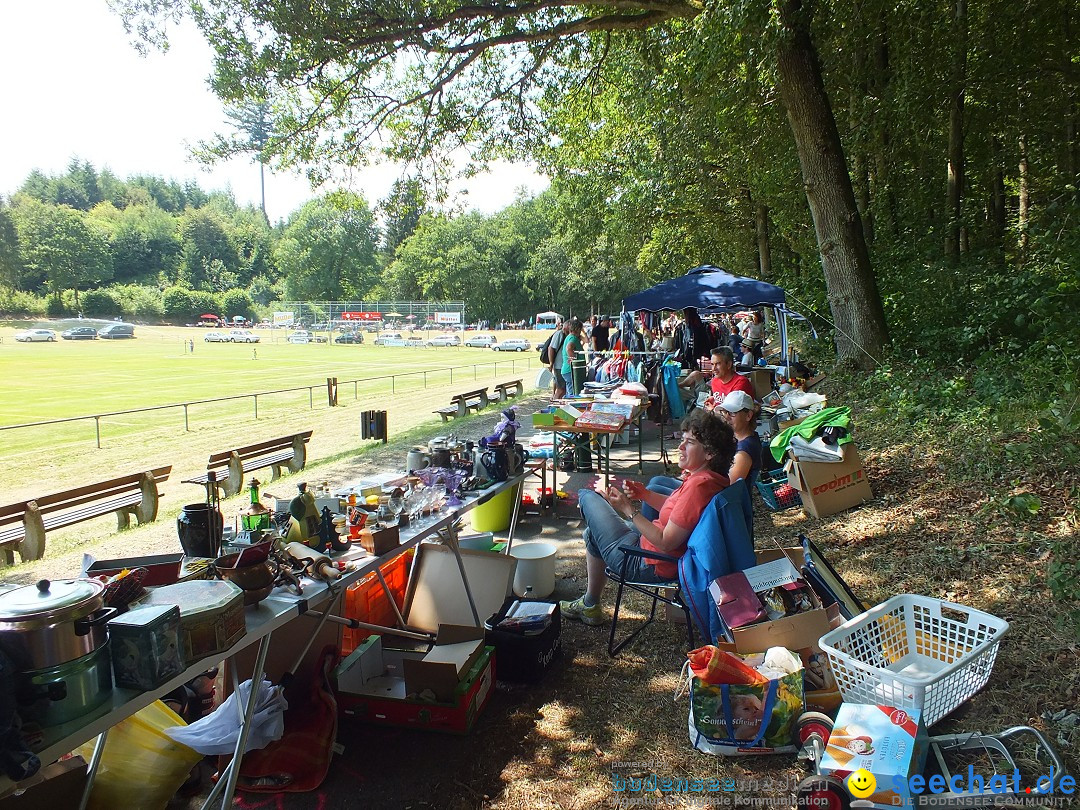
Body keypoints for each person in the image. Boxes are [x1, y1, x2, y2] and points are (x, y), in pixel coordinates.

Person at [560, 411, 736, 625]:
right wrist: (644, 495)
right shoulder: (709, 479)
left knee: (587, 496)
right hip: (655, 554)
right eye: (682, 440)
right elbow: (681, 514)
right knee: (591, 533)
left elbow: (665, 541)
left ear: (710, 453)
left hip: (647, 562)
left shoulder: (698, 487)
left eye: (689, 442)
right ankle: (590, 605)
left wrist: (628, 510)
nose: (680, 447)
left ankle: (589, 605)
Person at [714, 391, 762, 487]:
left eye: (732, 413)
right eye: (724, 412)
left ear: (748, 415)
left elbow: (729, 486)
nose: (726, 417)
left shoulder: (745, 450)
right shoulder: (736, 438)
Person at [561, 318, 586, 397]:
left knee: (570, 393)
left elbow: (586, 340)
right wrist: (574, 360)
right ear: (578, 329)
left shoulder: (569, 337)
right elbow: (569, 348)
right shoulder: (573, 338)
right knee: (573, 395)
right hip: (570, 371)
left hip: (567, 370)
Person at [547, 320, 570, 398]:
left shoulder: (569, 335)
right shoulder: (559, 334)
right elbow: (551, 348)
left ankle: (557, 405)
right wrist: (551, 363)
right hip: (559, 366)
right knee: (560, 389)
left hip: (564, 366)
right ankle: (553, 406)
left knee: (563, 389)